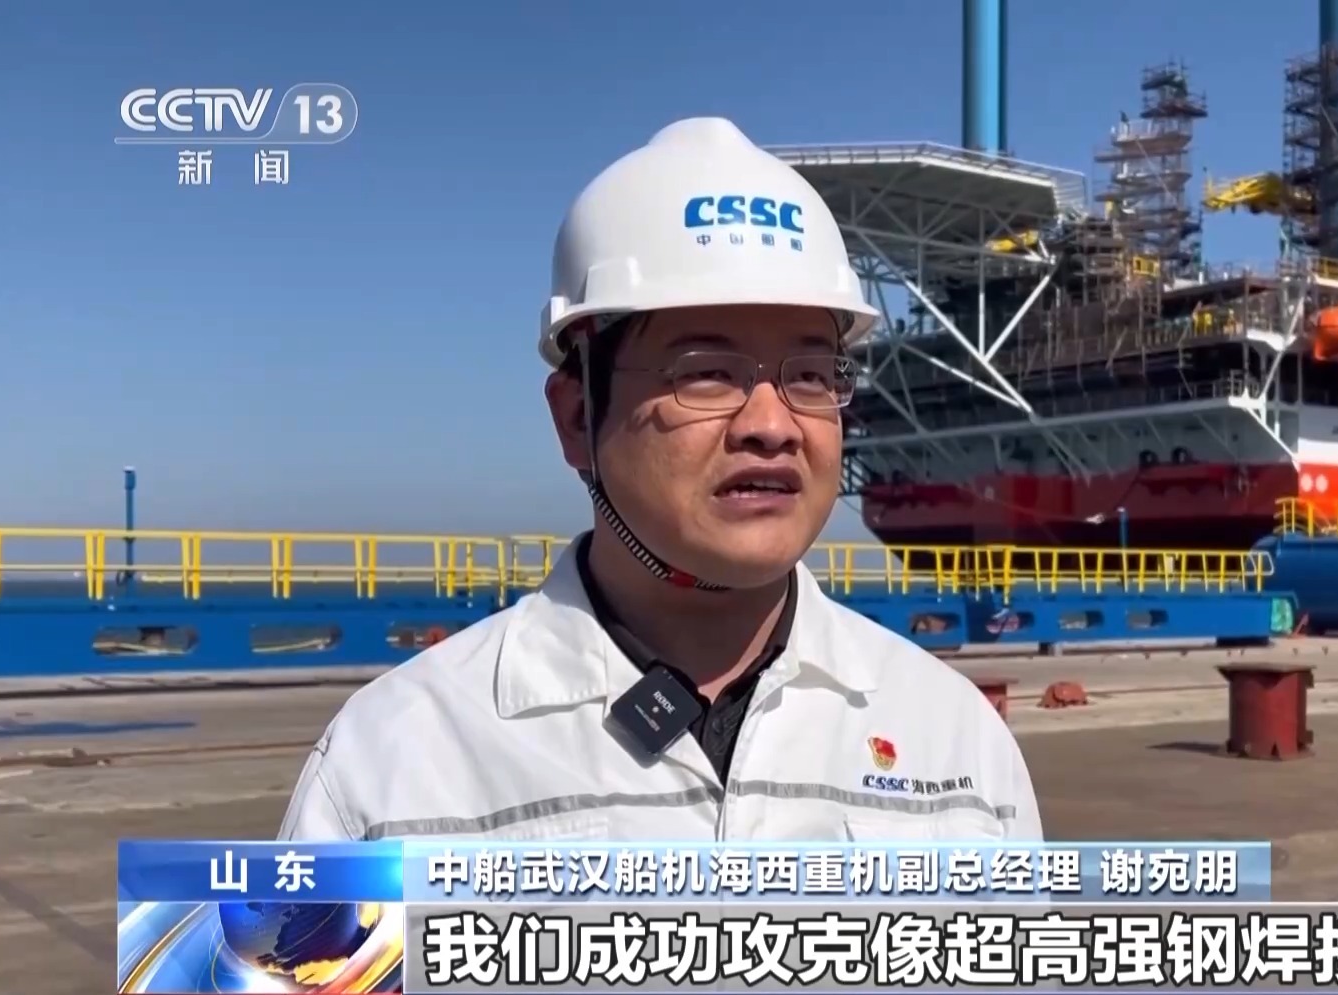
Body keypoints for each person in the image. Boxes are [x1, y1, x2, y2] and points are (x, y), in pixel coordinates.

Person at [279, 117, 1042, 843]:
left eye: (811, 374)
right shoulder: (393, 768)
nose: (771, 424)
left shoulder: (956, 742)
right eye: (705, 372)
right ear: (577, 415)